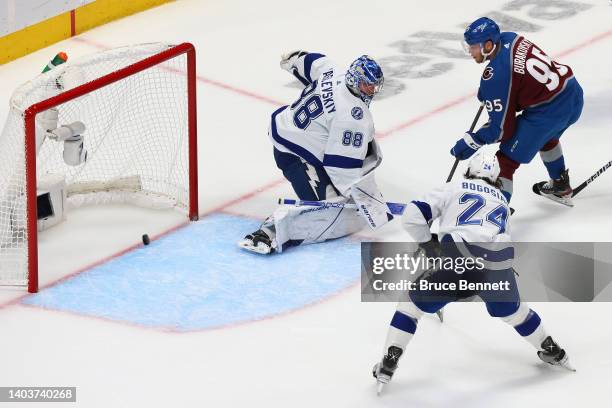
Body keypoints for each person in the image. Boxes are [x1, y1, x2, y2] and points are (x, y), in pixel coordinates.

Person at [372, 153, 573, 394]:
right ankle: (551, 348)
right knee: (516, 312)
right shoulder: (502, 201)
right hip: (498, 267)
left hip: (458, 260)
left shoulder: (453, 186)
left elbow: (412, 217)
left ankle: (390, 359)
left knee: (410, 307)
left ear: (468, 170)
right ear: (496, 178)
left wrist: (428, 244)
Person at [239, 51, 391, 254]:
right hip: (294, 154)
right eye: (366, 84)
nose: (371, 90)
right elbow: (340, 168)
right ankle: (271, 232)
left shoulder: (334, 73)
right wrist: (362, 198)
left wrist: (293, 60)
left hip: (290, 129)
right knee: (331, 210)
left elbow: (311, 62)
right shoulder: (353, 118)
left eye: (373, 86)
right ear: (354, 80)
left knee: (367, 147)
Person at [450, 17, 583, 207]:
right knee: (546, 137)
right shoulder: (509, 38)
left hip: (549, 112)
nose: (470, 51)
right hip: (572, 94)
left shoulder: (496, 76)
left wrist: (473, 141)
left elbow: (502, 130)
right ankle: (561, 185)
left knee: (503, 163)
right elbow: (520, 80)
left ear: (488, 45)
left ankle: (495, 218)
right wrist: (494, 94)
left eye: (473, 47)